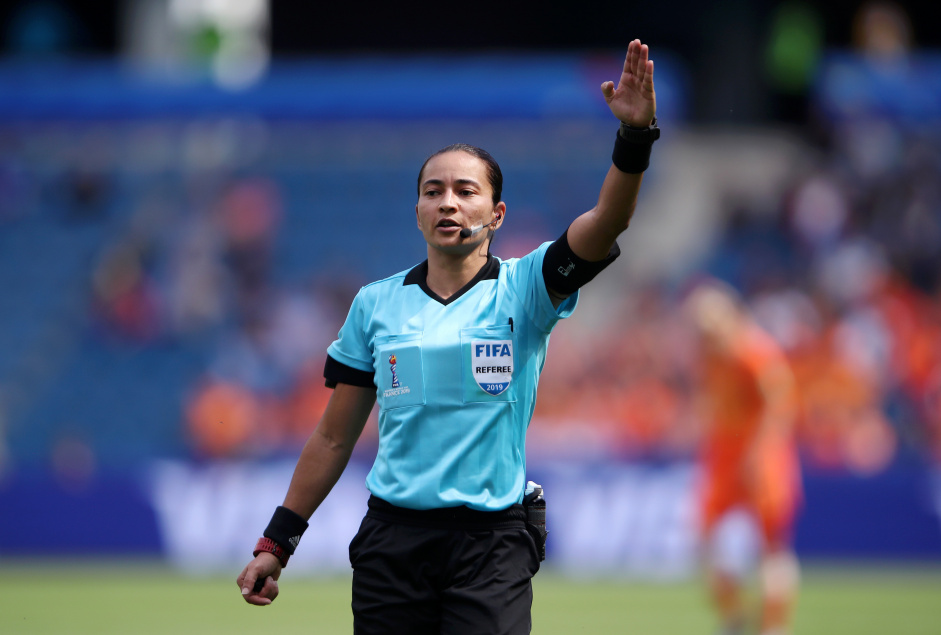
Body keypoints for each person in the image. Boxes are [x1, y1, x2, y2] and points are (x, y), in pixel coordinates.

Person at [236, 39, 660, 634]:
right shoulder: (375, 304)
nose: (448, 203)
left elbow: (609, 221)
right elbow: (334, 439)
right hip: (392, 545)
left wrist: (635, 136)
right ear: (416, 212)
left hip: (491, 546)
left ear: (498, 213)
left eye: (466, 191)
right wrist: (277, 542)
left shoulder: (527, 289)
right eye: (434, 191)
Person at [684, 281, 802, 635]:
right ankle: (734, 619)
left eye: (708, 328)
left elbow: (780, 403)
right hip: (722, 455)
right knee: (706, 539)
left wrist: (760, 452)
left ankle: (773, 626)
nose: (703, 336)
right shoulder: (709, 354)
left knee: (772, 545)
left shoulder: (754, 351)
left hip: (759, 456)